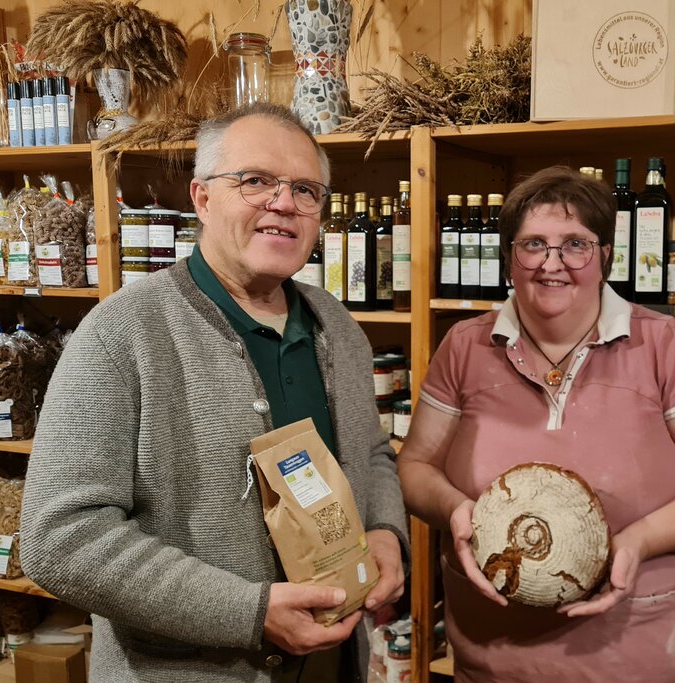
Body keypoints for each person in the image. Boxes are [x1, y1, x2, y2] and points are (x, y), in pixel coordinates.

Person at [21, 103, 408, 683]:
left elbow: (369, 454)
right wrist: (249, 613)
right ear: (202, 199)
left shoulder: (337, 326)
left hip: (333, 659)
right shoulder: (122, 332)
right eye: (256, 181)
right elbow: (60, 539)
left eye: (306, 190)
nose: (283, 204)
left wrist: (383, 528)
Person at [398, 166, 675, 682]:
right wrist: (457, 511)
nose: (553, 264)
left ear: (607, 256)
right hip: (492, 659)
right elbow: (414, 467)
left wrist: (635, 542)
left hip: (636, 659)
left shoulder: (664, 345)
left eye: (576, 244)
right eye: (533, 245)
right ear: (508, 258)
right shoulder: (464, 345)